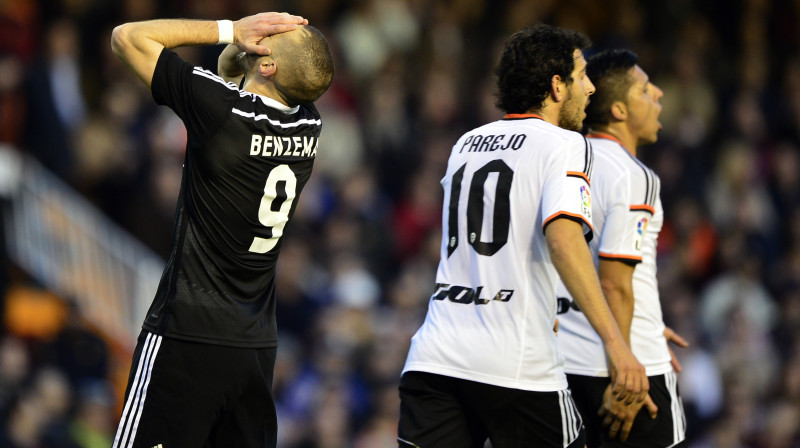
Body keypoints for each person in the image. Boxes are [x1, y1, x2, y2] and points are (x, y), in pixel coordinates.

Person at [397, 24, 648, 448]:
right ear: (556, 86)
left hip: (435, 359)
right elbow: (564, 241)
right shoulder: (566, 144)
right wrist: (616, 344)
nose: (590, 89)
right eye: (582, 76)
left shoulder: (465, 144)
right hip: (516, 365)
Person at [109, 12, 334, 448]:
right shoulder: (309, 122)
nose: (261, 36)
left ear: (267, 64)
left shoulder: (221, 109)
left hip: (187, 336)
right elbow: (238, 76)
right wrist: (247, 52)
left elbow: (127, 37)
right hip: (254, 349)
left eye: (271, 38)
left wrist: (232, 30)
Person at [555, 49, 688, 447]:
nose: (659, 95)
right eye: (646, 90)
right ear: (618, 110)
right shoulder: (633, 176)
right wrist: (627, 368)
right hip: (623, 369)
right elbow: (613, 283)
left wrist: (645, 314)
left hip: (563, 368)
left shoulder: (562, 162)